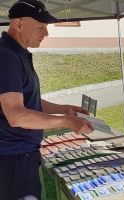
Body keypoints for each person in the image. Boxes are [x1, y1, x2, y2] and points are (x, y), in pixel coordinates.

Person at [0, 0, 94, 199]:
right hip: (12, 159)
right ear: (18, 24)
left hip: (21, 156)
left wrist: (63, 109)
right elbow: (16, 115)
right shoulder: (6, 57)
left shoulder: (18, 54)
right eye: (41, 27)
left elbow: (28, 101)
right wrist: (67, 121)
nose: (47, 33)